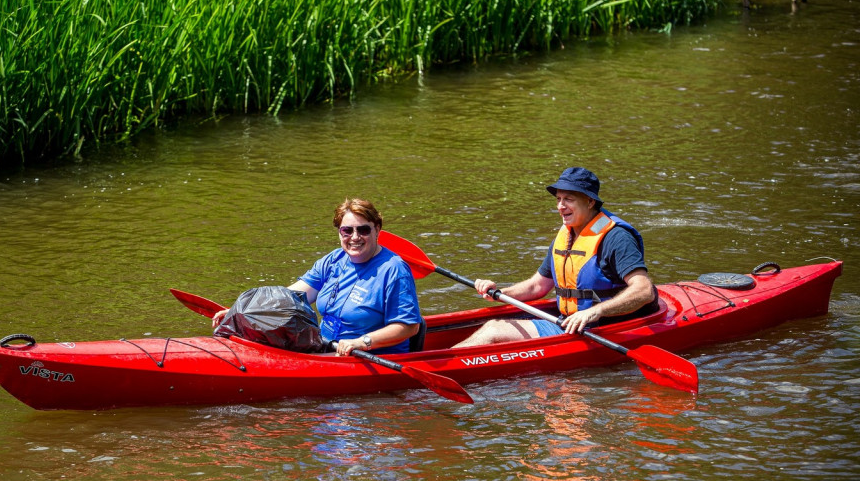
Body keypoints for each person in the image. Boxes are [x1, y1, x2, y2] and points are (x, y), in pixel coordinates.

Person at [454, 167, 658, 347]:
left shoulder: (616, 238)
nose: (561, 206)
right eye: (559, 199)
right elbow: (538, 286)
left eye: (568, 199)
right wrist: (498, 292)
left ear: (589, 202)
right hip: (570, 322)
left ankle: (445, 365)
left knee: (493, 330)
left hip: (605, 327)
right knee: (492, 325)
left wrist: (595, 311)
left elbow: (644, 290)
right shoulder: (568, 234)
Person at [212, 198, 422, 356]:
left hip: (366, 356)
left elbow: (409, 326)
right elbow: (290, 298)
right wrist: (246, 312)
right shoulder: (334, 260)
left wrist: (361, 342)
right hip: (325, 349)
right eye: (347, 230)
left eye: (364, 230)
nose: (355, 237)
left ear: (377, 229)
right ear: (339, 232)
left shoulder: (394, 269)